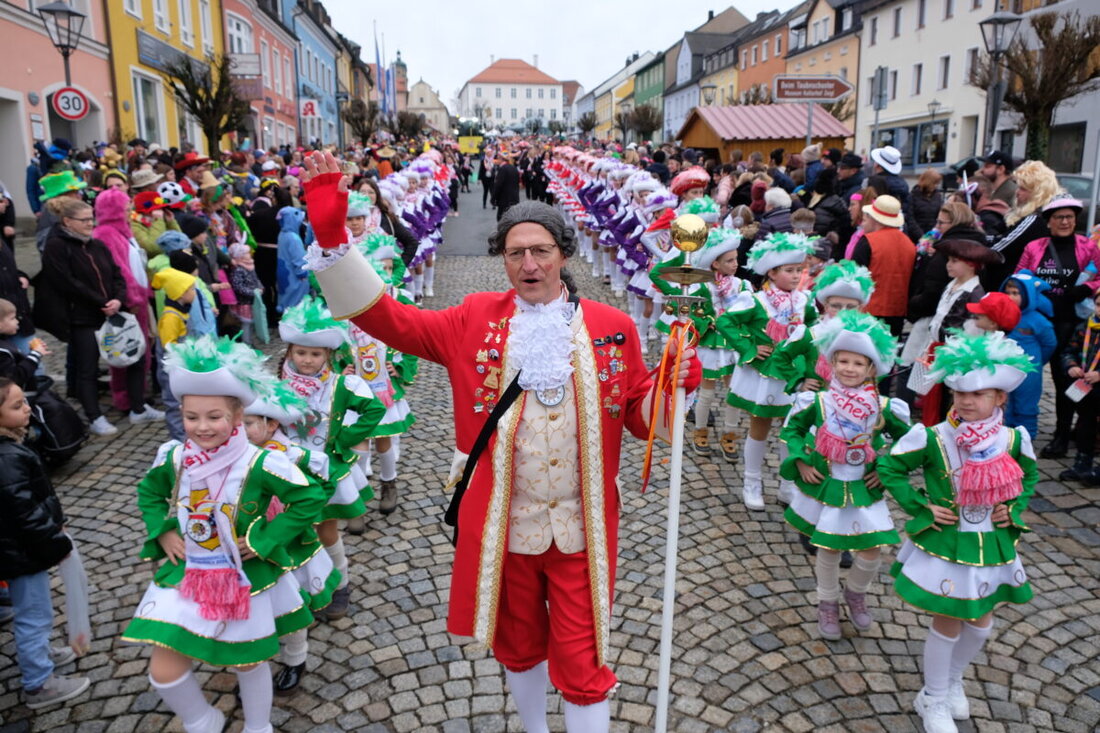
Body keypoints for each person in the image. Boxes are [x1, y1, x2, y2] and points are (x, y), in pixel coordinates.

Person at [300, 149, 700, 732]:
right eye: (517, 253)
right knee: (516, 645)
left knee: (584, 660)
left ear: (563, 255)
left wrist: (673, 384)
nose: (530, 264)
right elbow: (387, 319)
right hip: (503, 521)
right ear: (504, 261)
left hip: (582, 528)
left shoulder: (612, 328)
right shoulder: (472, 319)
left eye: (541, 251)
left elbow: (643, 418)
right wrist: (333, 232)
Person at [120, 336, 329, 733]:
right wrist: (163, 531)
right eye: (192, 416)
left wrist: (265, 538)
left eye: (214, 416)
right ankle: (203, 720)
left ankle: (257, 726)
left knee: (248, 662)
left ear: (238, 417)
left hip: (245, 580)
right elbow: (149, 491)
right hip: (188, 574)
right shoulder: (175, 456)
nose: (202, 427)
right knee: (163, 670)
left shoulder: (262, 462)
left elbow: (309, 496)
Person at [878, 331, 1036, 733]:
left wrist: (1012, 508)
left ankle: (952, 680)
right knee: (948, 620)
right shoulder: (933, 437)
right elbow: (891, 468)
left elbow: (1028, 476)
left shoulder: (1013, 439)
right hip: (948, 543)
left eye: (979, 394)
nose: (966, 401)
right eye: (958, 393)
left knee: (982, 623)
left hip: (990, 543)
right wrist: (920, 507)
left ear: (1000, 397)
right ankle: (932, 698)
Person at [780, 311, 910, 640]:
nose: (849, 369)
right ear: (832, 363)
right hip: (827, 483)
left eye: (858, 363)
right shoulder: (820, 402)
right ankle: (827, 604)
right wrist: (800, 462)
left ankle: (856, 594)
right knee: (829, 549)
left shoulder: (881, 406)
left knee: (871, 551)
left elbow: (910, 442)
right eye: (844, 361)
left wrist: (886, 469)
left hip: (863, 485)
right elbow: (793, 430)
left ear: (871, 369)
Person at [278, 295, 386, 607]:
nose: (307, 360)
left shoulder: (340, 385)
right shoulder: (277, 386)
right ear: (289, 351)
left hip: (326, 474)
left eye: (315, 354)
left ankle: (341, 583)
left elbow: (373, 410)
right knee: (295, 534)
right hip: (287, 474)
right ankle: (305, 590)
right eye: (301, 353)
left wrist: (343, 440)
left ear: (328, 354)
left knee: (326, 531)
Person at [0, 377, 91, 710]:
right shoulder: (7, 457)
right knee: (33, 614)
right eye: (16, 405)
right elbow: (22, 513)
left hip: (18, 549)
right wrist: (54, 541)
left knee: (35, 609)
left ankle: (42, 653)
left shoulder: (11, 446)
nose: (26, 408)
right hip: (20, 553)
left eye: (24, 401)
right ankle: (38, 682)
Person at [37, 197, 160, 436]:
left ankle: (138, 407)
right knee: (88, 367)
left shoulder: (96, 244)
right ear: (67, 221)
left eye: (91, 219)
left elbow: (117, 274)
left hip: (113, 311)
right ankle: (94, 415)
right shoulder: (56, 246)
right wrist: (100, 302)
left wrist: (118, 298)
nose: (89, 224)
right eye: (84, 220)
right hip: (83, 317)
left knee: (134, 356)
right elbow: (66, 282)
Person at [718, 233, 817, 510]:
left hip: (795, 377)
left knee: (792, 429)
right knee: (759, 429)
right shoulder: (756, 300)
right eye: (789, 270)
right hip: (765, 375)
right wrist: (749, 347)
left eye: (799, 270)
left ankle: (787, 485)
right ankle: (751, 481)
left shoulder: (804, 301)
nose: (797, 276)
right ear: (771, 272)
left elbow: (812, 332)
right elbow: (726, 321)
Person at [651, 226, 749, 462]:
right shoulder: (701, 286)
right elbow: (690, 313)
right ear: (715, 264)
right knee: (705, 392)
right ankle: (700, 431)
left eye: (736, 259)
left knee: (733, 391)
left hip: (733, 346)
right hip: (710, 345)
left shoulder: (742, 286)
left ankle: (730, 434)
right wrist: (708, 321)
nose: (735, 264)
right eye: (729, 260)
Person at [1014, 197, 1100, 458]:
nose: (1065, 222)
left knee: (1065, 380)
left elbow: (1099, 277)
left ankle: (1062, 435)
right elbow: (1018, 277)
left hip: (1070, 324)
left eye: (1069, 217)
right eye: (1059, 217)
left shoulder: (1088, 247)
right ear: (1049, 221)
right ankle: (1019, 428)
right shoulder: (1034, 246)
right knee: (1026, 375)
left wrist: (1086, 288)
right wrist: (1034, 288)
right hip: (1038, 323)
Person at [986, 159, 1059, 288]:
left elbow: (996, 249)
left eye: (1023, 189)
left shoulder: (1035, 220)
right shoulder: (1028, 215)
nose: (1017, 192)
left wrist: (983, 239)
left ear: (1038, 193)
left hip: (1013, 288)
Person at [850, 195, 915, 337]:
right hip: (897, 312)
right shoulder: (909, 244)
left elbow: (853, 276)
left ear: (875, 219)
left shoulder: (868, 241)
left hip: (868, 310)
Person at [1001, 273, 1056, 441]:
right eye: (1008, 292)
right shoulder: (1001, 314)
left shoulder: (1037, 320)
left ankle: (1026, 440)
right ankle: (1006, 438)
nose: (1011, 297)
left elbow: (1050, 344)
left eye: (1016, 293)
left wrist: (1037, 362)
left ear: (1027, 295)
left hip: (1029, 371)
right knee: (1006, 404)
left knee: (1026, 405)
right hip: (1005, 369)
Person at [150, 267, 196, 442]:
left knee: (183, 403)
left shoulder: (180, 312)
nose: (194, 292)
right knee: (174, 405)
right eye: (191, 289)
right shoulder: (170, 317)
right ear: (180, 294)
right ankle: (179, 441)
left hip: (180, 368)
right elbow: (170, 346)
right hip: (171, 370)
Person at [1058, 290, 1100, 483]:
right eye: (1098, 305)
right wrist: (1071, 365)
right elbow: (1069, 350)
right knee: (1085, 424)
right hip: (1087, 389)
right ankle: (1082, 461)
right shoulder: (1086, 327)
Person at [0, 299, 48, 389]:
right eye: (12, 318)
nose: (17, 321)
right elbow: (15, 377)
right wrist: (35, 354)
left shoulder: (4, 341)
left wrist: (33, 352)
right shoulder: (2, 351)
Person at [909, 169, 944, 235]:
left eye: (937, 183)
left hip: (933, 234)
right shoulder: (913, 196)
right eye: (934, 183)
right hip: (915, 235)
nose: (936, 186)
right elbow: (910, 218)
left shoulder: (938, 196)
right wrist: (921, 235)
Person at [492, 152, 521, 221]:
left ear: (502, 159)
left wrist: (493, 198)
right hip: (514, 198)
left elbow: (498, 185)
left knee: (501, 218)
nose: (497, 160)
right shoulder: (514, 168)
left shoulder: (502, 169)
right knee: (512, 218)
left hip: (504, 199)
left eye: (498, 158)